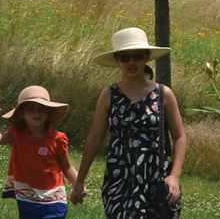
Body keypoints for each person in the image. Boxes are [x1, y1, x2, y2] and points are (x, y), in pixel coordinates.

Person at [72, 27, 187, 218]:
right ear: (118, 60)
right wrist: (79, 180)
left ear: (147, 56)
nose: (131, 62)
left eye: (137, 56)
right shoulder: (109, 95)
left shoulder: (163, 94)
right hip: (119, 176)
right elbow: (94, 139)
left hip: (156, 176)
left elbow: (180, 137)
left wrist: (174, 176)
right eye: (124, 57)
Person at [0, 85, 79, 219]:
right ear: (21, 113)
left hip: (54, 201)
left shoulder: (57, 139)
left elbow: (68, 167)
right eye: (31, 109)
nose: (37, 113)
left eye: (42, 109)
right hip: (27, 201)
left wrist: (79, 185)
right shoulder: (17, 135)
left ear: (48, 113)